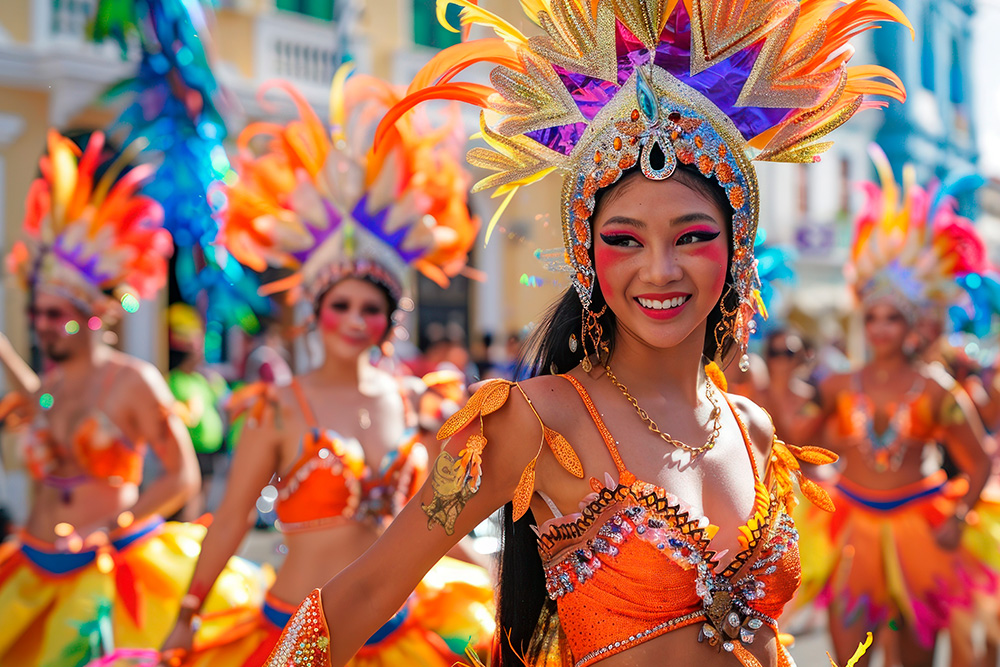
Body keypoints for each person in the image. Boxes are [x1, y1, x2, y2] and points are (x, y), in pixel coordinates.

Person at [262, 1, 910, 665]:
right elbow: (368, 588)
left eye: (692, 236)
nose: (659, 270)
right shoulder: (537, 417)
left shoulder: (753, 429)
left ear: (737, 246)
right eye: (624, 240)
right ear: (586, 254)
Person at [157, 74, 493, 667]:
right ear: (316, 313)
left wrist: (494, 576)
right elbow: (233, 518)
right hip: (292, 639)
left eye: (371, 308)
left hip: (401, 637)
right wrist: (187, 614)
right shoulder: (279, 408)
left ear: (390, 320)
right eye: (342, 305)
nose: (356, 320)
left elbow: (432, 523)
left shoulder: (419, 402)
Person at [0, 130, 262, 666]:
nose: (42, 326)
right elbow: (42, 410)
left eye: (55, 316)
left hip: (108, 570)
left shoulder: (134, 380)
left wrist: (107, 530)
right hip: (31, 562)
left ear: (89, 316)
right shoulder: (50, 385)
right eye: (38, 315)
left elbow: (181, 476)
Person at [785, 147, 997, 666]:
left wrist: (961, 514)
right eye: (873, 316)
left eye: (892, 318)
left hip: (920, 533)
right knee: (846, 656)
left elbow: (979, 458)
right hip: (851, 527)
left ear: (912, 325)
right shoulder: (836, 383)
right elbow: (797, 445)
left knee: (916, 658)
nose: (880, 328)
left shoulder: (936, 391)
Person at [167, 303, 230, 520]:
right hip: (191, 448)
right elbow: (180, 413)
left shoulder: (203, 379)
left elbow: (225, 401)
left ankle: (194, 529)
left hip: (212, 450)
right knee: (190, 494)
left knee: (204, 493)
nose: (199, 354)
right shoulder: (176, 379)